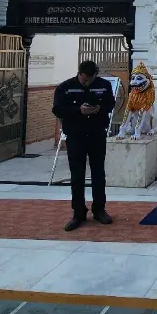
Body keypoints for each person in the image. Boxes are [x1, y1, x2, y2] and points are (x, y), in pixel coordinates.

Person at [52, 60, 116, 231]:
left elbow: (111, 104)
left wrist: (98, 109)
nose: (88, 82)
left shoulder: (103, 85)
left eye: (91, 79)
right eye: (85, 79)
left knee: (98, 173)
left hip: (96, 134)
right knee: (77, 175)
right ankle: (78, 212)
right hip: (75, 136)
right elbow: (58, 109)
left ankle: (99, 209)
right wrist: (78, 110)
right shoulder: (65, 87)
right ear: (80, 74)